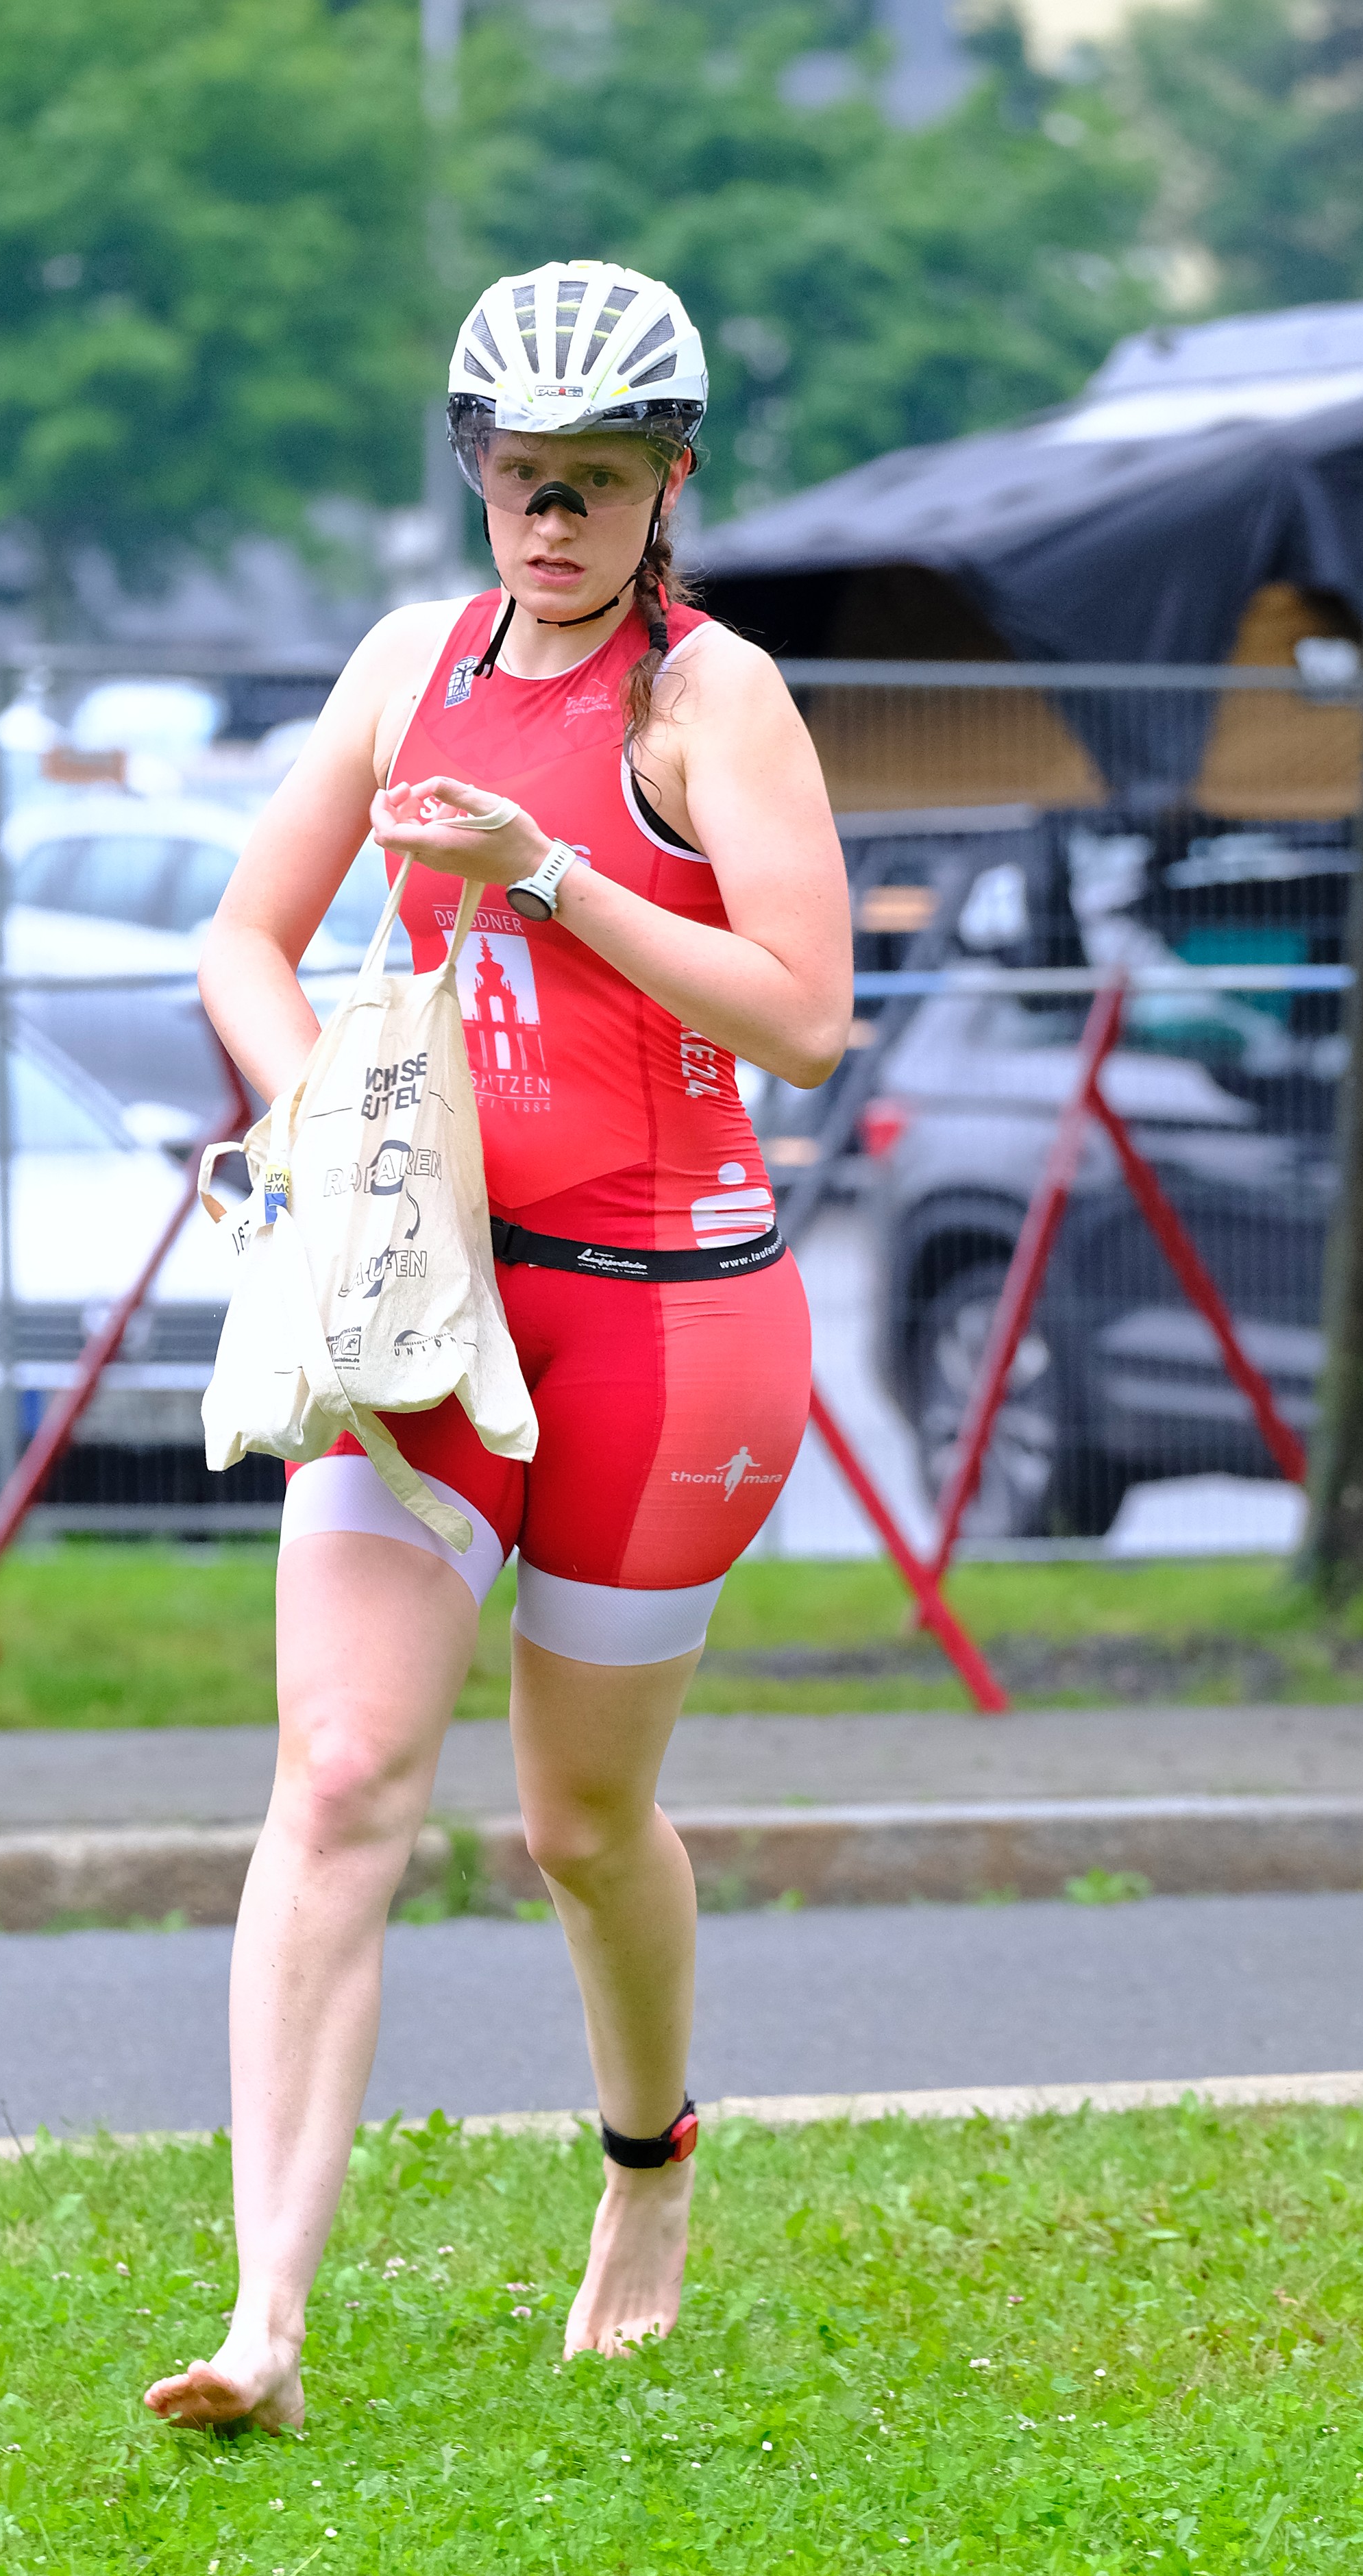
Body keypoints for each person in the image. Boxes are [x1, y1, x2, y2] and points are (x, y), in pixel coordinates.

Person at [146, 260, 852, 2433]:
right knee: (342, 1773)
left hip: (672, 1328)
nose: (551, 520)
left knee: (579, 1824)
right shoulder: (409, 665)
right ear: (469, 467)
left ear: (671, 485)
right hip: (426, 1313)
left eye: (597, 484)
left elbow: (806, 1022)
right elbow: (245, 937)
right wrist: (325, 1134)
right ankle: (265, 2327)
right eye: (520, 477)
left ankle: (648, 2163)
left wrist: (551, 873)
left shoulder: (710, 698)